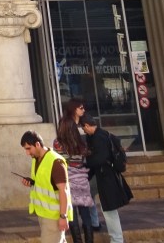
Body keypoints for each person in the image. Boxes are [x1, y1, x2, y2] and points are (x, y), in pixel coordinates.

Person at [82, 117, 132, 243]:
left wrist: (86, 162)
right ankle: (95, 223)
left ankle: (117, 240)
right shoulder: (99, 135)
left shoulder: (99, 137)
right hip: (102, 175)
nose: (83, 131)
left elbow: (100, 159)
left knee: (110, 210)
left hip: (106, 176)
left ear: (87, 125)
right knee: (89, 195)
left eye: (83, 128)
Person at [20, 130, 71, 243]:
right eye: (25, 149)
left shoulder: (56, 162)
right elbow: (43, 182)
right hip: (44, 214)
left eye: (29, 148)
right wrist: (31, 182)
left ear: (37, 144)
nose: (27, 153)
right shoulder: (36, 159)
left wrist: (63, 216)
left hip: (54, 216)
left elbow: (64, 191)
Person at [56, 99, 94, 243]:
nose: (83, 110)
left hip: (68, 177)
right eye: (81, 108)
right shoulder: (81, 141)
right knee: (85, 212)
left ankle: (77, 241)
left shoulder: (58, 143)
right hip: (81, 175)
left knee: (71, 212)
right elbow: (84, 156)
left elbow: (59, 160)